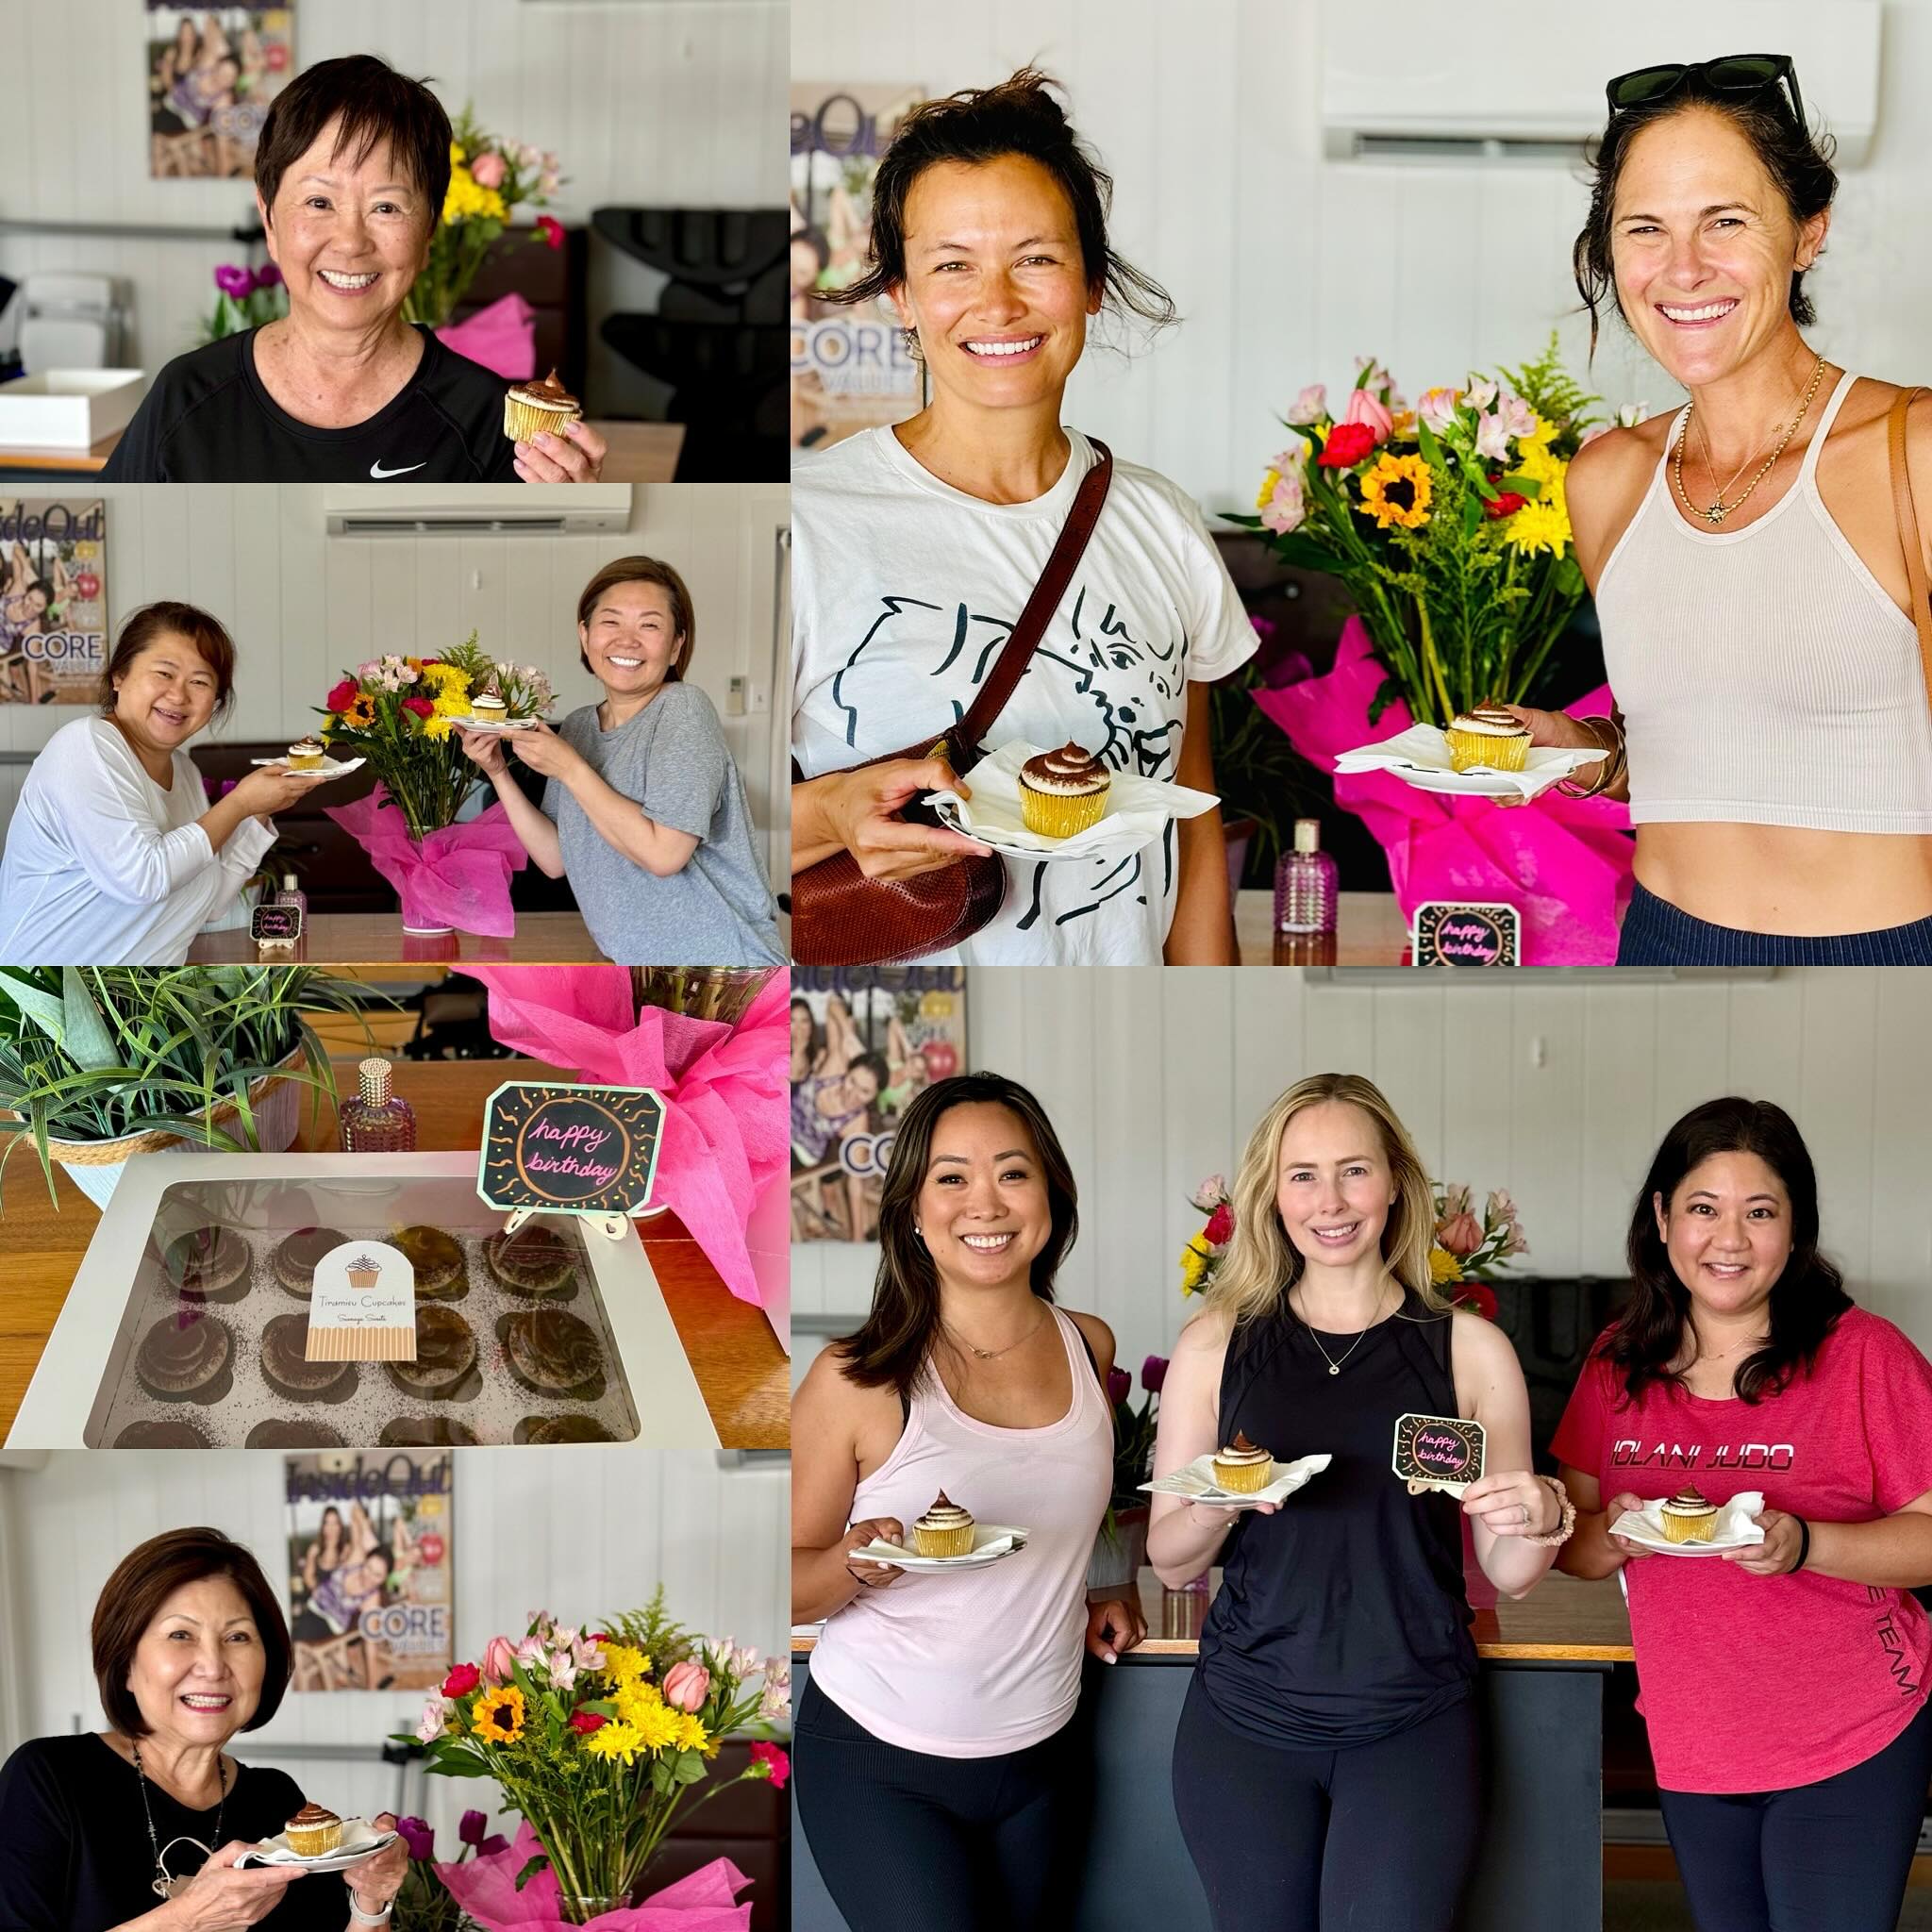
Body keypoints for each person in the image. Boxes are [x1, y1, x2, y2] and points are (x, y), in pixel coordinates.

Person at [791, 69, 1254, 964]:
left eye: (1035, 258)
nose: (997, 303)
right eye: (952, 265)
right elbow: (706, 834)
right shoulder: (810, 524)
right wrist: (829, 811)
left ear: (1090, 284)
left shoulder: (1159, 522)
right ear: (903, 298)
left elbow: (1192, 824)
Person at [1507, 55, 1932, 961]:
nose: (1683, 269)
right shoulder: (1606, 479)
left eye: (1725, 222)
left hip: (1891, 956)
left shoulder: (1915, 450)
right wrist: (1582, 752)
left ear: (1809, 230)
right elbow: (1695, 742)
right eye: (1645, 229)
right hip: (1661, 944)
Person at [1150, 1073, 1568, 1932]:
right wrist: (1231, 1497)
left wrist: (1541, 1513)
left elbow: (1512, 1571)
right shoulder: (1216, 1344)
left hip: (1413, 1723)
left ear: (1396, 1183)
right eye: (1302, 1174)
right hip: (1245, 1722)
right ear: (1271, 1193)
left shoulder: (1470, 1348)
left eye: (1354, 1170)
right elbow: (1171, 1556)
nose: (1330, 1200)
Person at [1554, 1097, 1932, 1932]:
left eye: (1760, 1212)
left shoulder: (1864, 1355)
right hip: (1695, 1738)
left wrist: (1807, 1544)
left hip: (1853, 1733)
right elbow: (1573, 1544)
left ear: (1796, 1230)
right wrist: (1611, 1534)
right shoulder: (1618, 1364)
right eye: (1702, 1209)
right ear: (1661, 1218)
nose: (1730, 1241)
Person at [791, 1073, 1146, 1929]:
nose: (984, 1202)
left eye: (1012, 1173)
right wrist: (850, 1563)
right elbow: (782, 1579)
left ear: (1051, 1198)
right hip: (881, 1762)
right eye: (951, 1177)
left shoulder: (1087, 1344)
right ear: (912, 1207)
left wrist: (1106, 1579)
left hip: (1045, 1758)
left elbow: (1077, 1486)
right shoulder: (858, 1378)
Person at [107, 54, 607, 484]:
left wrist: (577, 517)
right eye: (319, 201)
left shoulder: (486, 422)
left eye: (386, 207)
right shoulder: (187, 398)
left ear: (429, 230)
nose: (350, 242)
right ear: (269, 219)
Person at [0, 1525, 408, 1929]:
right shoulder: (49, 1777)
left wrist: (371, 1899)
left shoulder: (275, 1799)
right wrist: (186, 1918)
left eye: (237, 1636)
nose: (213, 1666)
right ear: (124, 1665)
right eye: (181, 1634)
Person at [458, 556, 783, 966]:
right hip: (631, 965)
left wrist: (570, 768)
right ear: (585, 634)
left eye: (649, 625)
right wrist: (498, 771)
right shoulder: (578, 726)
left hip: (720, 969)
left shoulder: (683, 709)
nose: (627, 640)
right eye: (611, 622)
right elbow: (555, 859)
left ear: (676, 645)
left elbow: (664, 855)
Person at [0, 601, 323, 965]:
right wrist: (239, 804)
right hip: (46, 1005)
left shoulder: (184, 772)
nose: (179, 695)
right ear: (118, 676)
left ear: (215, 702)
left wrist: (259, 811)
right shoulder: (86, 745)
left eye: (199, 682)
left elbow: (211, 903)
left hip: (143, 1007)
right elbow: (142, 879)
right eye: (164, 674)